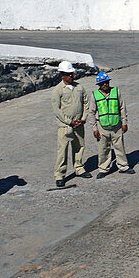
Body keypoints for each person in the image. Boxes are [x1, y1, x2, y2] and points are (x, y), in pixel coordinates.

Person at [52, 60, 91, 188]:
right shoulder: (58, 90)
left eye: (71, 73)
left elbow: (86, 103)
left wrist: (83, 118)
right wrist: (69, 121)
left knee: (79, 146)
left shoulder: (79, 87)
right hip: (65, 126)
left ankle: (79, 168)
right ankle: (60, 175)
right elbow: (57, 110)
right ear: (62, 75)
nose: (71, 76)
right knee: (62, 151)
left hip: (79, 124)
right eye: (68, 74)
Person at [90, 72, 133, 177]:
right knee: (103, 148)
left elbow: (122, 107)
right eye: (102, 83)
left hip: (116, 125)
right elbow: (91, 113)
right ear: (99, 85)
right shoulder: (94, 95)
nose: (105, 85)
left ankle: (123, 166)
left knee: (119, 146)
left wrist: (124, 122)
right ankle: (104, 169)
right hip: (102, 126)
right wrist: (94, 128)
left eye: (106, 82)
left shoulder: (116, 91)